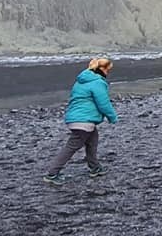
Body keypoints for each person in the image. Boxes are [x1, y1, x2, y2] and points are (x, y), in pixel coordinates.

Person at [43, 57, 119, 185]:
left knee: (92, 140)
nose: (108, 72)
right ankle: (52, 173)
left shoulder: (81, 81)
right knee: (72, 146)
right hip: (84, 120)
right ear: (101, 69)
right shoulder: (97, 83)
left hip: (76, 118)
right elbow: (103, 103)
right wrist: (112, 117)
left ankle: (95, 168)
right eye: (107, 69)